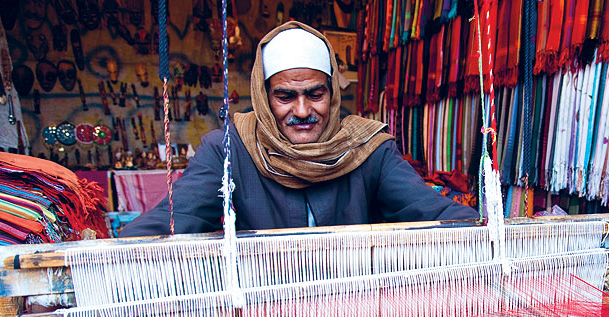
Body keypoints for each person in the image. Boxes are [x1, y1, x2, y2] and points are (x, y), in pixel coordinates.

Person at [121, 21, 477, 238]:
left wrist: (502, 237)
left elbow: (433, 211)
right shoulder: (229, 149)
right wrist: (101, 258)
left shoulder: (369, 149)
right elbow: (175, 220)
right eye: (285, 96)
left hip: (353, 314)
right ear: (264, 97)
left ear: (333, 94)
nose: (303, 111)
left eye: (315, 94)